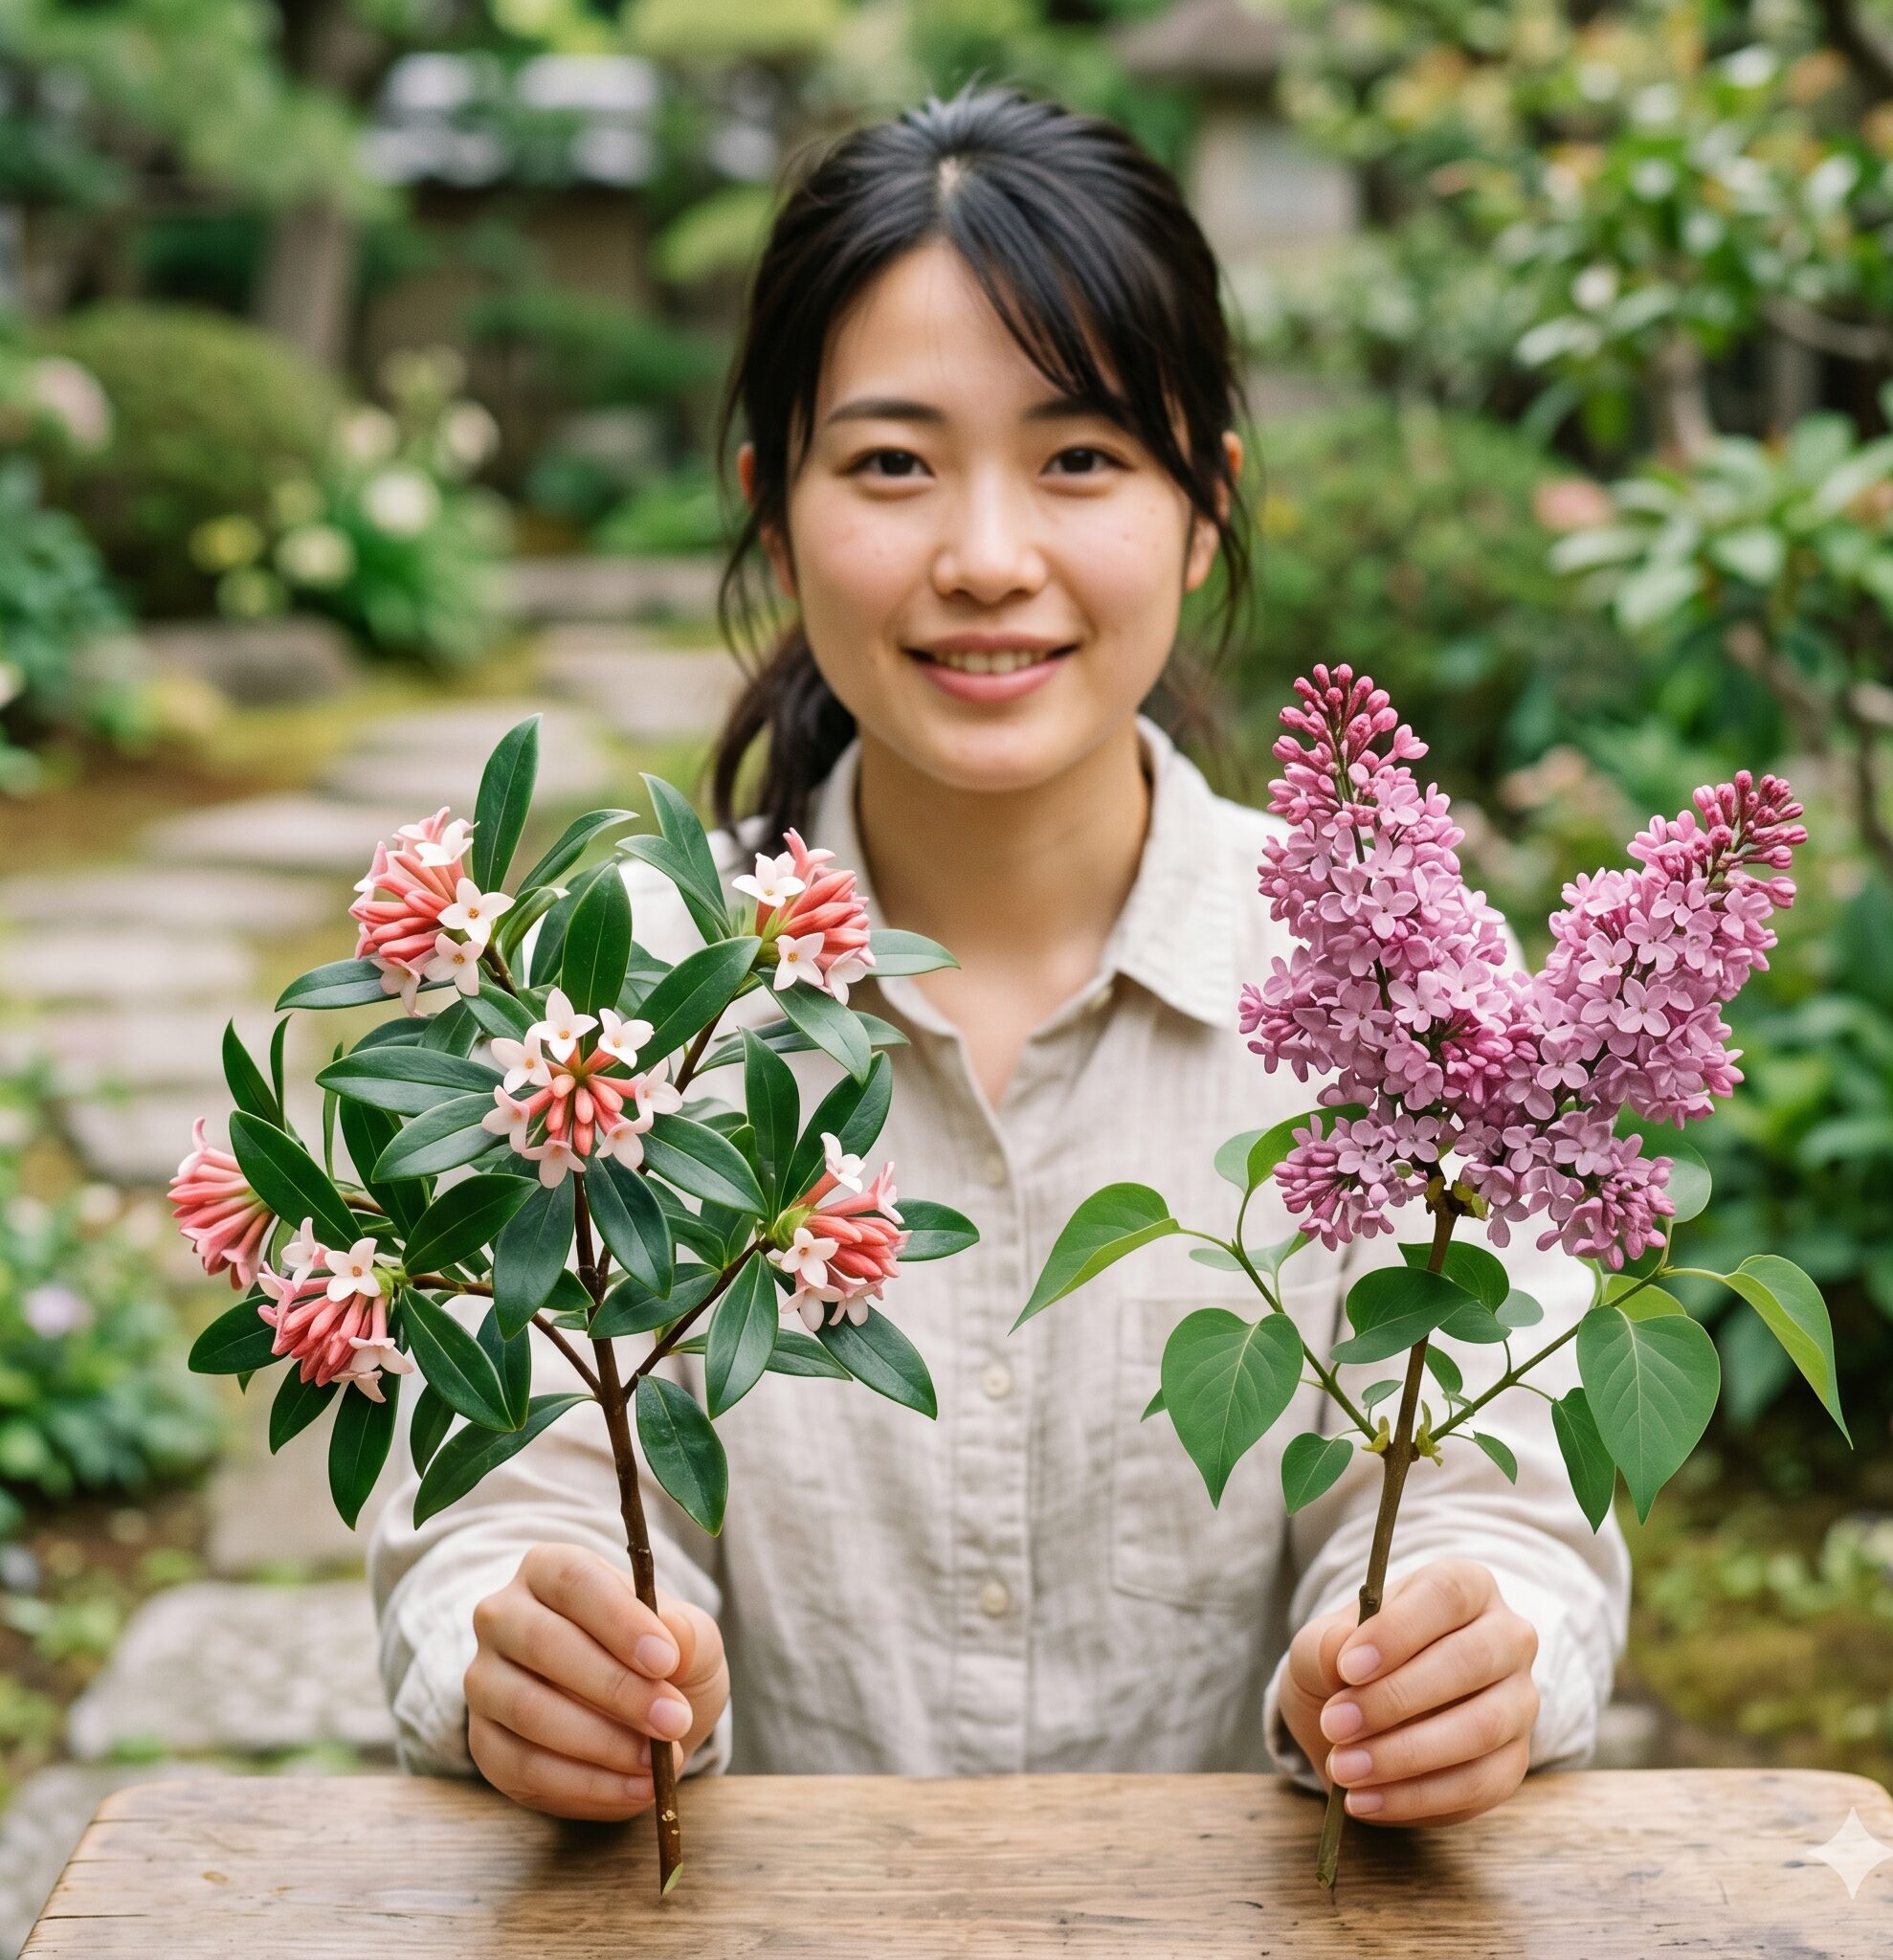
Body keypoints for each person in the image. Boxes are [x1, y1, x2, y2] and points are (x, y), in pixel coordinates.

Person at [368, 84, 1631, 1835]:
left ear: (1205, 510)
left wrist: (1459, 1654)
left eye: (1081, 459)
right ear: (772, 502)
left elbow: (1508, 1500)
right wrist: (532, 1652)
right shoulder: (604, 1010)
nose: (983, 557)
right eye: (890, 462)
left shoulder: (1406, 994)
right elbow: (508, 1501)